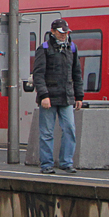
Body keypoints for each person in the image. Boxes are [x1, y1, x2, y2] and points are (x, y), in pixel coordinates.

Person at [32, 18, 84, 174]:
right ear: (53, 32)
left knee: (70, 129)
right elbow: (38, 75)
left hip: (66, 96)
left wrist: (79, 96)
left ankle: (66, 162)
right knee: (46, 132)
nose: (64, 35)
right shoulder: (44, 48)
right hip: (49, 97)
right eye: (61, 32)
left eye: (66, 32)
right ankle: (46, 164)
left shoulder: (72, 48)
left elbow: (77, 73)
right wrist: (43, 95)